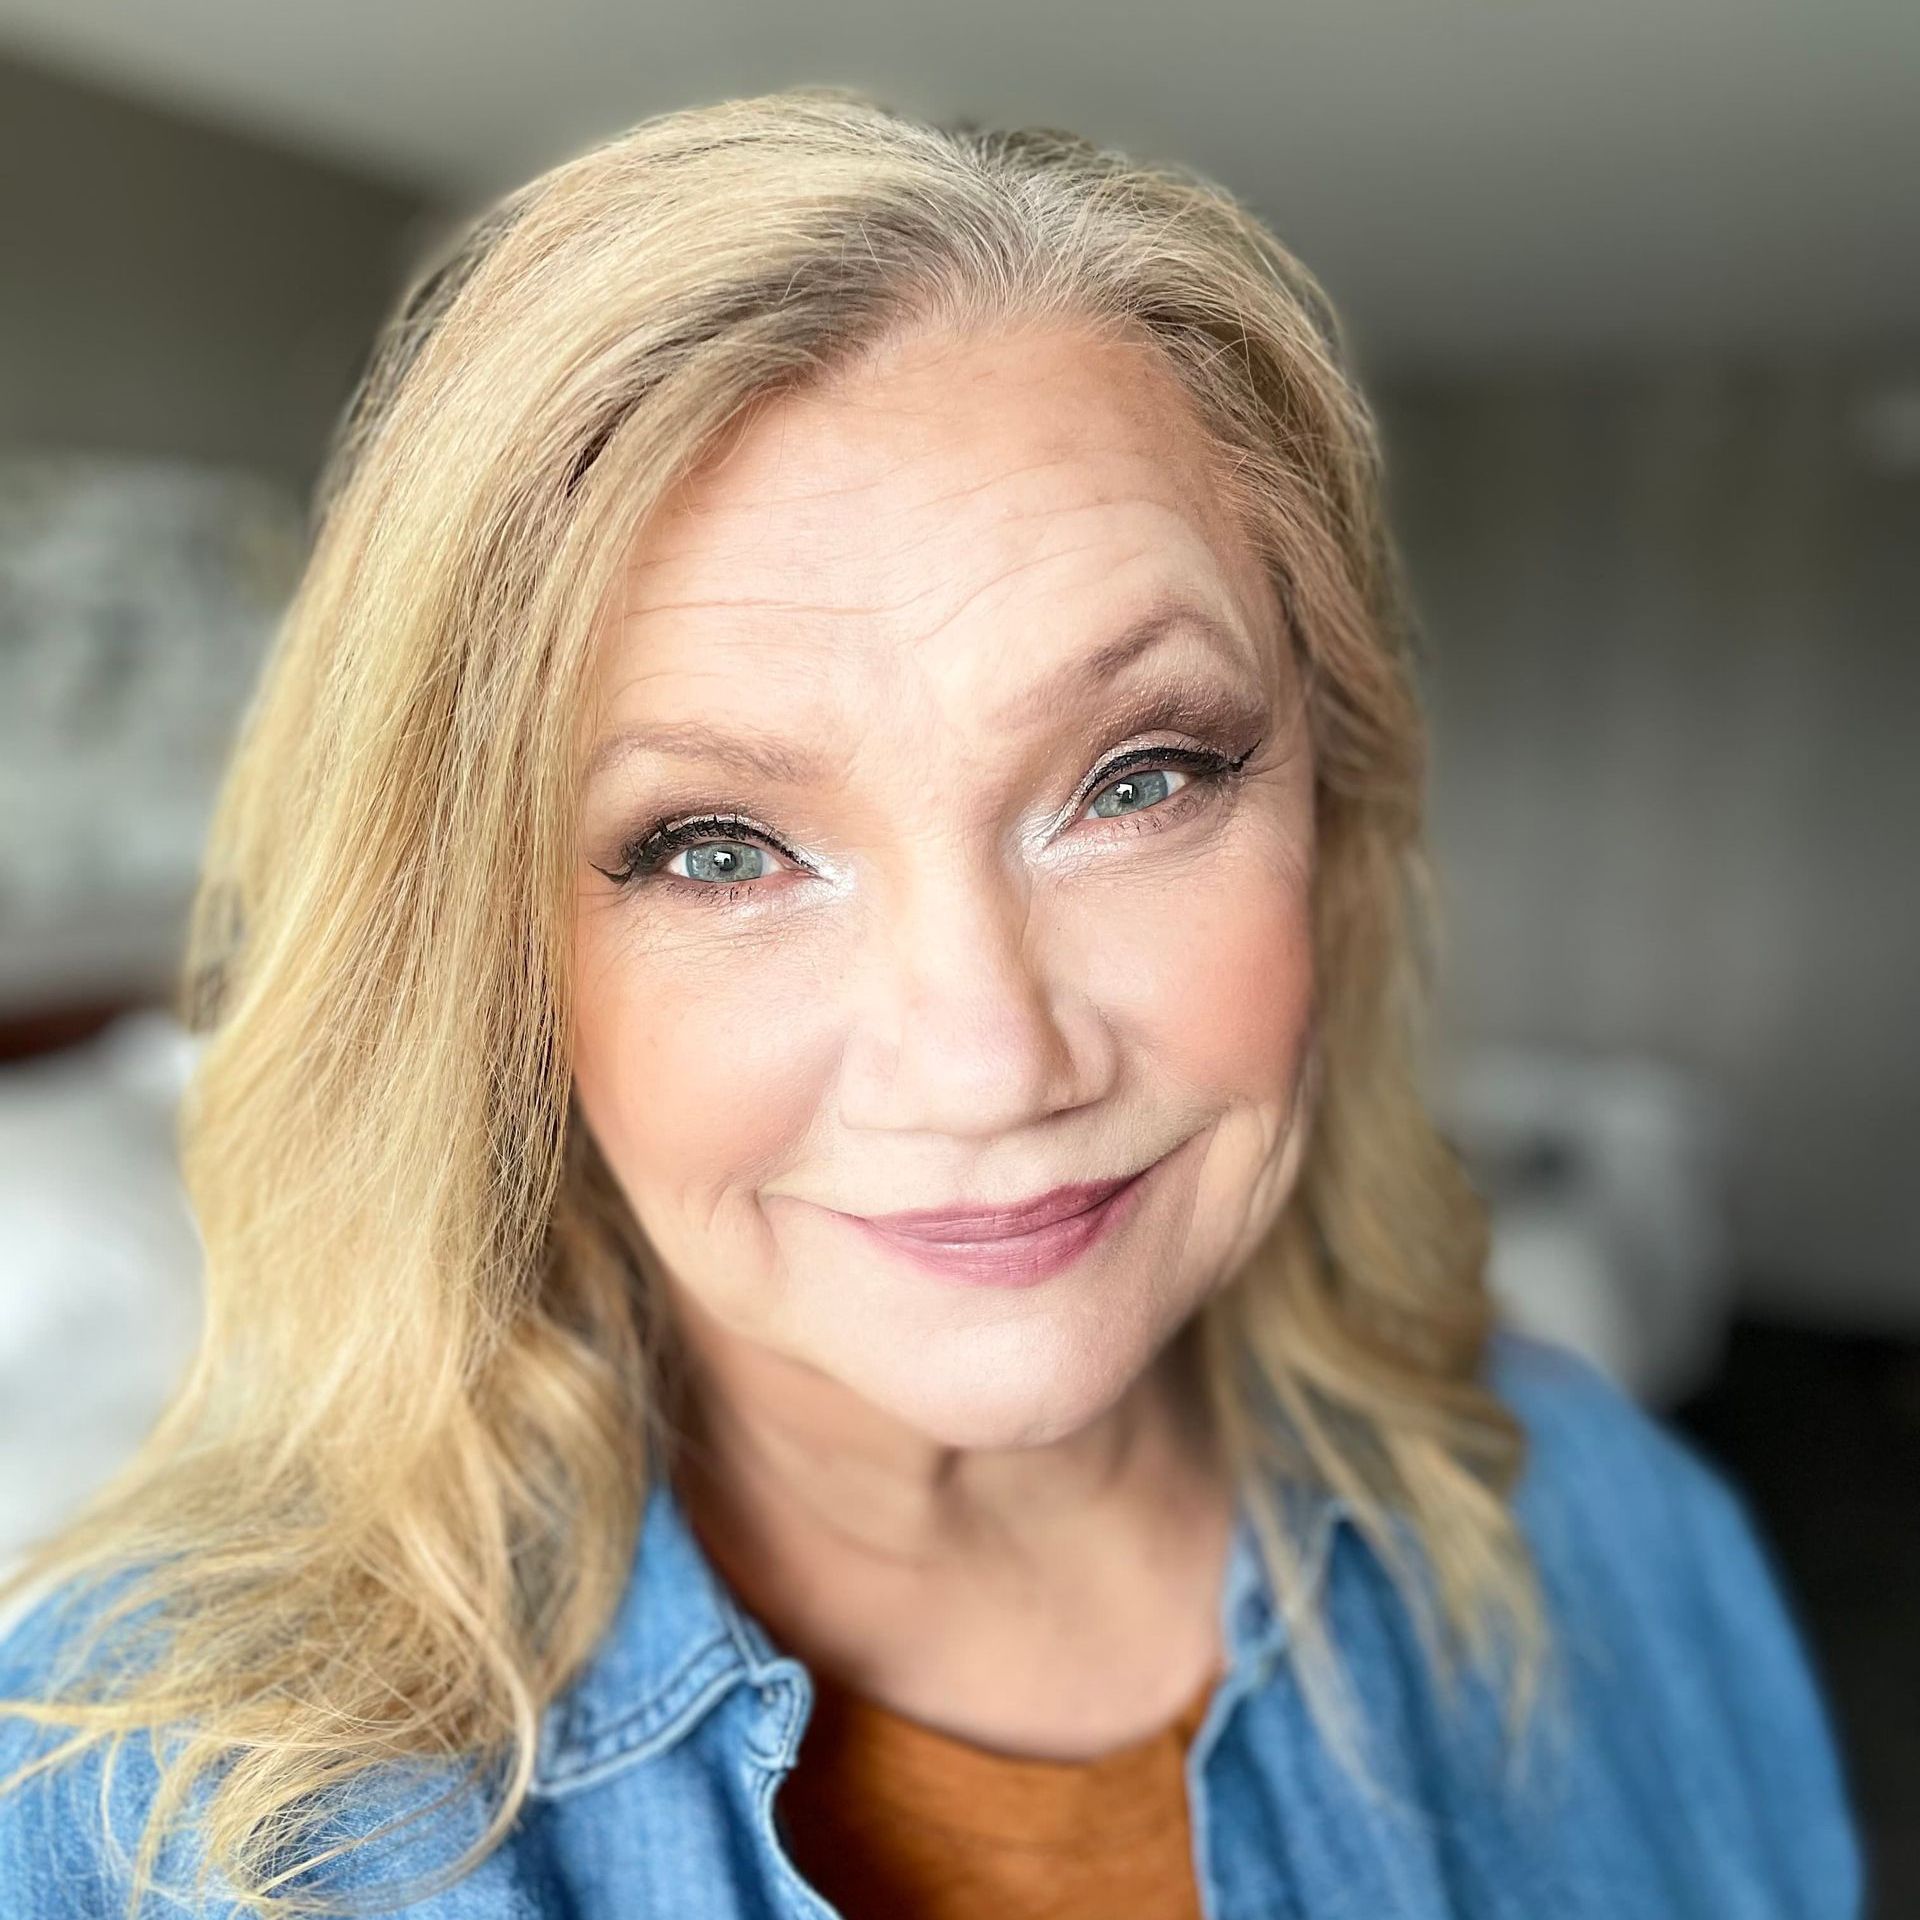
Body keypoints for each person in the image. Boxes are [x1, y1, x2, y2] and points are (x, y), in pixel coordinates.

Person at [0, 87, 1861, 1919]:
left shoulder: (1606, 1527)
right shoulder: (132, 1820)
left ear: (1334, 816)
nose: (988, 1058)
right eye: (717, 846)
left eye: (1141, 777)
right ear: (492, 966)